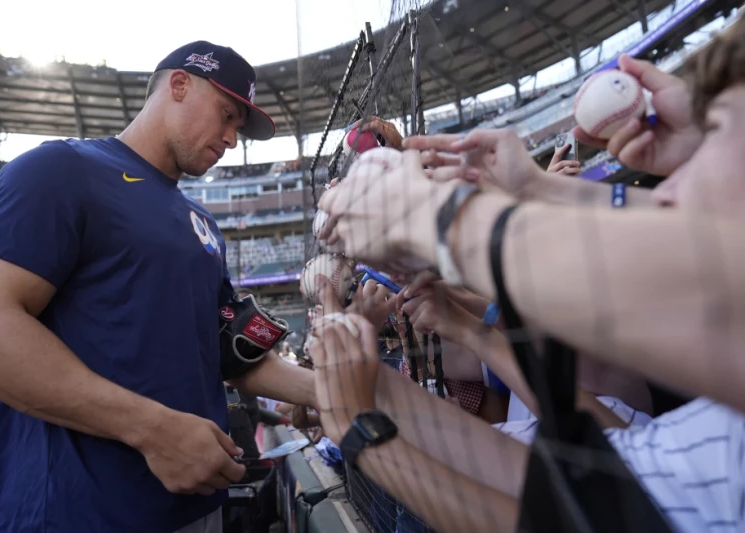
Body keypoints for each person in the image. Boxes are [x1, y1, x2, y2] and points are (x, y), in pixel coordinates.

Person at [311, 16, 745, 533]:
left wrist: (440, 218)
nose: (667, 188)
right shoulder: (718, 427)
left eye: (714, 134)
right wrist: (542, 191)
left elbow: (549, 510)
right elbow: (560, 484)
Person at [0, 41, 317, 532]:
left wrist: (334, 393)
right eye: (227, 116)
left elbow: (230, 352)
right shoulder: (61, 169)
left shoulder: (201, 221)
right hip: (80, 515)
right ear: (179, 85)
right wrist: (151, 429)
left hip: (197, 504)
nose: (231, 139)